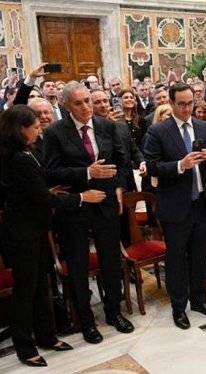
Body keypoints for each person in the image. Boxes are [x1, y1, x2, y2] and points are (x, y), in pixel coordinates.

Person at [0, 105, 106, 367]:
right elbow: (43, 196)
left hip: (37, 229)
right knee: (26, 291)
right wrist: (82, 197)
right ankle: (25, 347)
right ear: (20, 130)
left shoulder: (30, 151)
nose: (40, 129)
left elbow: (44, 178)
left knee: (43, 287)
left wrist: (82, 175)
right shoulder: (16, 158)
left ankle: (47, 336)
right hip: (22, 234)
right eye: (35, 127)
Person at [43, 82, 134, 343]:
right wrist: (86, 173)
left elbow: (121, 160)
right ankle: (86, 322)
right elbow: (51, 172)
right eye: (78, 103)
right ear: (66, 105)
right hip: (75, 207)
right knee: (79, 266)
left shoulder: (107, 125)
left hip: (105, 202)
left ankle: (114, 312)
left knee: (110, 260)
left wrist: (118, 186)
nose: (86, 107)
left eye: (88, 101)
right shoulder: (55, 133)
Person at [143, 83, 206, 329]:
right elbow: (152, 166)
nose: (188, 108)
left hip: (203, 203)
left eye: (191, 103)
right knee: (177, 259)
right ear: (171, 103)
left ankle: (199, 300)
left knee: (200, 255)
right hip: (176, 206)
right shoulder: (158, 131)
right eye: (182, 104)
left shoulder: (205, 128)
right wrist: (180, 165)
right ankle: (179, 308)